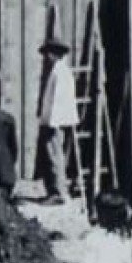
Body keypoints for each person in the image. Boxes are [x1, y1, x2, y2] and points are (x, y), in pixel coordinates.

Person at [35, 34, 80, 203]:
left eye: (49, 53)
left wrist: (52, 122)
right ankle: (54, 190)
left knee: (54, 155)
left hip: (56, 121)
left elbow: (59, 100)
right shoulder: (56, 70)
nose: (46, 57)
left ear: (56, 53)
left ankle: (59, 193)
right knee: (51, 155)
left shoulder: (61, 72)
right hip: (51, 120)